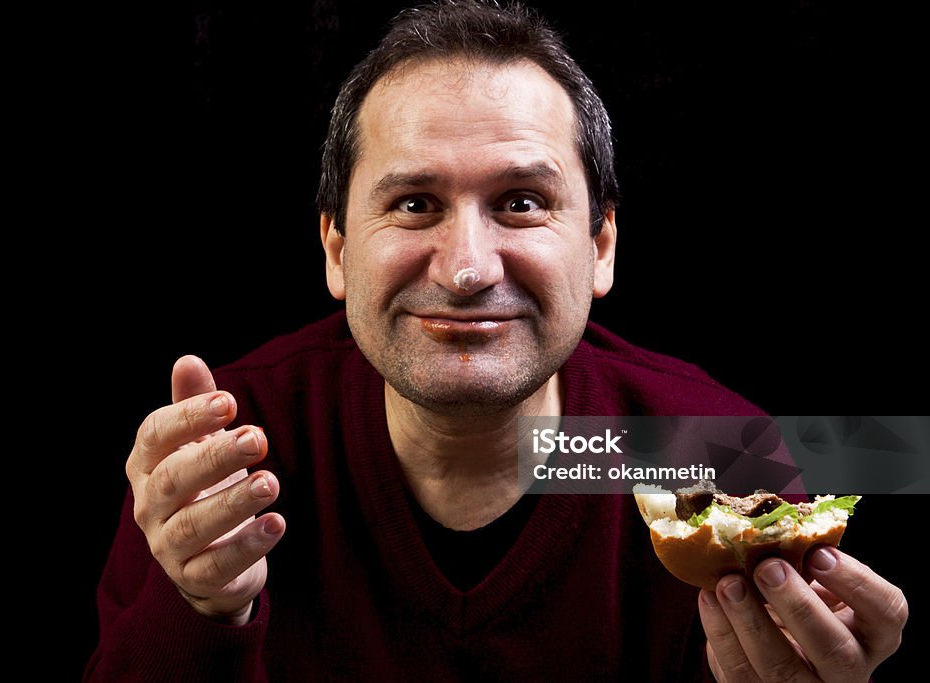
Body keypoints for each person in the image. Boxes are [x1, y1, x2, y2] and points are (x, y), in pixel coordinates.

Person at [85, 2, 907, 680]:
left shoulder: (727, 455)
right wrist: (201, 611)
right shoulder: (225, 452)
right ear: (336, 248)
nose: (469, 269)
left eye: (519, 202)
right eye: (413, 203)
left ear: (600, 247)